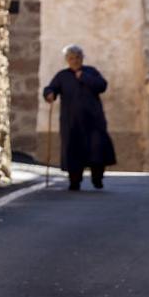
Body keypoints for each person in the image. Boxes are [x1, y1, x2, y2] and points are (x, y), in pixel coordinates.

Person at [43, 44, 117, 191]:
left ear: (82, 58)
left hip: (93, 120)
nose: (75, 61)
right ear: (67, 60)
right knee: (73, 151)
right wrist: (49, 94)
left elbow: (102, 85)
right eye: (71, 58)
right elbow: (51, 88)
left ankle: (97, 178)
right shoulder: (62, 76)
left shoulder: (91, 72)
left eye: (77, 57)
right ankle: (74, 181)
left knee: (97, 149)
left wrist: (84, 77)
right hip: (71, 122)